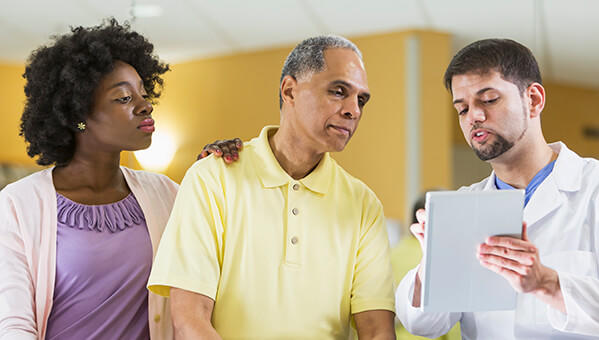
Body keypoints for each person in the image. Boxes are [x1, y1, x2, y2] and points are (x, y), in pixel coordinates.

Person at [148, 35, 396, 339]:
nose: (353, 110)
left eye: (361, 100)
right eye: (338, 91)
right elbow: (189, 319)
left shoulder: (363, 204)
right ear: (289, 91)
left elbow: (377, 331)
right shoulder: (212, 178)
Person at [396, 39, 599, 339]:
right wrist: (433, 265)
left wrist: (547, 283)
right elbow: (423, 325)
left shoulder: (592, 187)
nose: (473, 117)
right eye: (462, 109)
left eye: (488, 100)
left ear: (533, 99)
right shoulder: (463, 206)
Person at [0, 19, 177, 339]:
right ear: (77, 115)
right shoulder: (17, 204)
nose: (145, 105)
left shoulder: (166, 194)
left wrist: (219, 169)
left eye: (143, 92)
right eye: (124, 98)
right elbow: (13, 323)